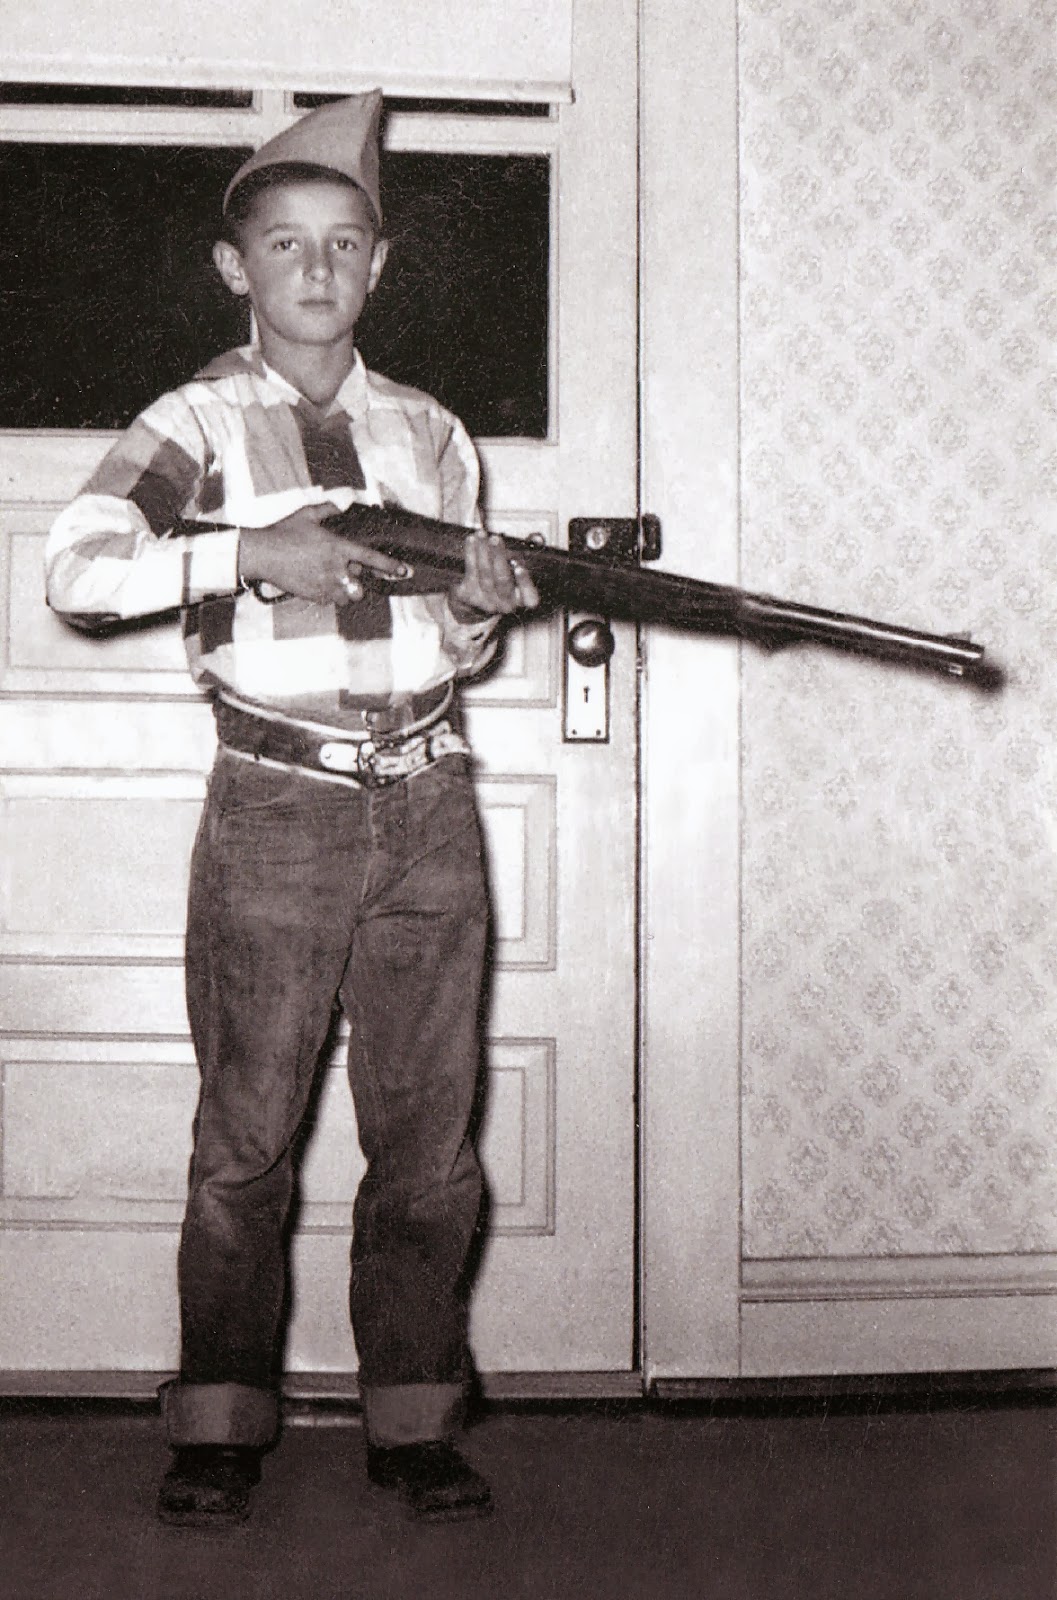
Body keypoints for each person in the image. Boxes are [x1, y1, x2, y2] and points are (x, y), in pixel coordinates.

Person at [44, 90, 539, 1528]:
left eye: (342, 243)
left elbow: (447, 641)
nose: (315, 268)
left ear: (378, 266)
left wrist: (477, 607)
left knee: (429, 1150)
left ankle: (414, 1421)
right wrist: (250, 554)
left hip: (428, 803)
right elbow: (77, 569)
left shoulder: (430, 430)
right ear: (234, 267)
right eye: (284, 243)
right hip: (276, 804)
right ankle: (215, 1426)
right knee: (246, 1143)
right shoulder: (193, 419)